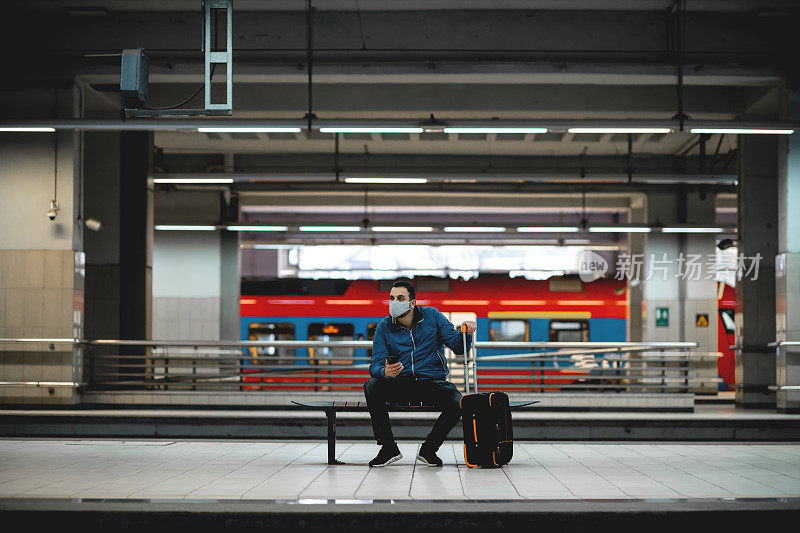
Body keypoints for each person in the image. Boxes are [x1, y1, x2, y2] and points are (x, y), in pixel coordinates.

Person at [363, 280, 477, 467]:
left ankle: (429, 450)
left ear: (412, 302)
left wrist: (466, 332)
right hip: (399, 383)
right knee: (371, 385)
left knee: (457, 401)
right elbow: (375, 365)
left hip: (431, 382)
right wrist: (384, 371)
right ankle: (388, 448)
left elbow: (458, 347)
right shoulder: (384, 327)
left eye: (400, 298)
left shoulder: (432, 316)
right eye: (392, 298)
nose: (394, 302)